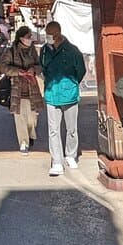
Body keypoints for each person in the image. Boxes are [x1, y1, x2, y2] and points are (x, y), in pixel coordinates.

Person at [40, 19, 86, 177]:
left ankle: (71, 155)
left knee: (71, 129)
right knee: (53, 130)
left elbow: (81, 70)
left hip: (69, 94)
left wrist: (72, 83)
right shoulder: (45, 50)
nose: (47, 38)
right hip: (52, 94)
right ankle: (57, 162)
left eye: (49, 35)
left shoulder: (73, 50)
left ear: (57, 34)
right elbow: (43, 68)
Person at [3, 26, 43, 153]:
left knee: (32, 118)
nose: (30, 39)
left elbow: (39, 65)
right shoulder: (11, 51)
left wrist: (34, 70)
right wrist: (17, 72)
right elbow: (4, 67)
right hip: (17, 88)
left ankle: (31, 134)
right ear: (21, 38)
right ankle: (23, 142)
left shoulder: (32, 51)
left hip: (31, 86)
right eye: (28, 37)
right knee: (20, 117)